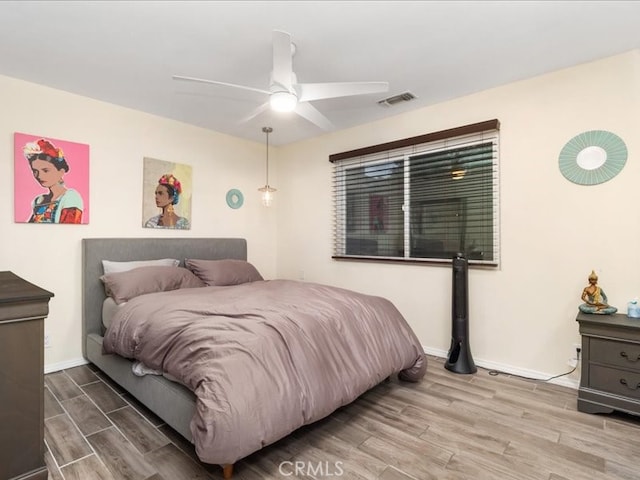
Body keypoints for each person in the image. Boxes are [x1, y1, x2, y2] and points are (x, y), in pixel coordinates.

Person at [23, 138, 84, 223]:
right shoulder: (39, 200)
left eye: (46, 170)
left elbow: (69, 229)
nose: (39, 176)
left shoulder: (70, 198)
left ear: (61, 171)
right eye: (35, 171)